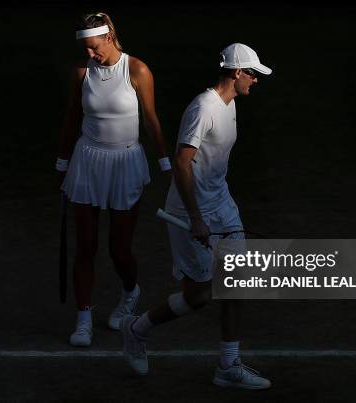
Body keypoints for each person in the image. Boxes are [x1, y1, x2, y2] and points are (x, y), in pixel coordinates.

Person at [121, 43, 272, 389]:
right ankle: (136, 328)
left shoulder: (230, 104)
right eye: (252, 73)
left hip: (221, 205)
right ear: (236, 73)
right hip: (192, 211)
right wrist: (196, 218)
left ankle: (228, 365)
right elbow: (181, 163)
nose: (256, 80)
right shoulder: (204, 108)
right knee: (199, 296)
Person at [56, 12, 169, 347]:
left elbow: (151, 120)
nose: (90, 55)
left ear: (108, 37)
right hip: (87, 162)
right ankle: (83, 319)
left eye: (93, 47)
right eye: (85, 49)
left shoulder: (137, 70)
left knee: (119, 249)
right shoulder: (81, 73)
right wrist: (62, 163)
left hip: (125, 164)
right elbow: (72, 117)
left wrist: (166, 165)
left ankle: (130, 293)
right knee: (86, 246)